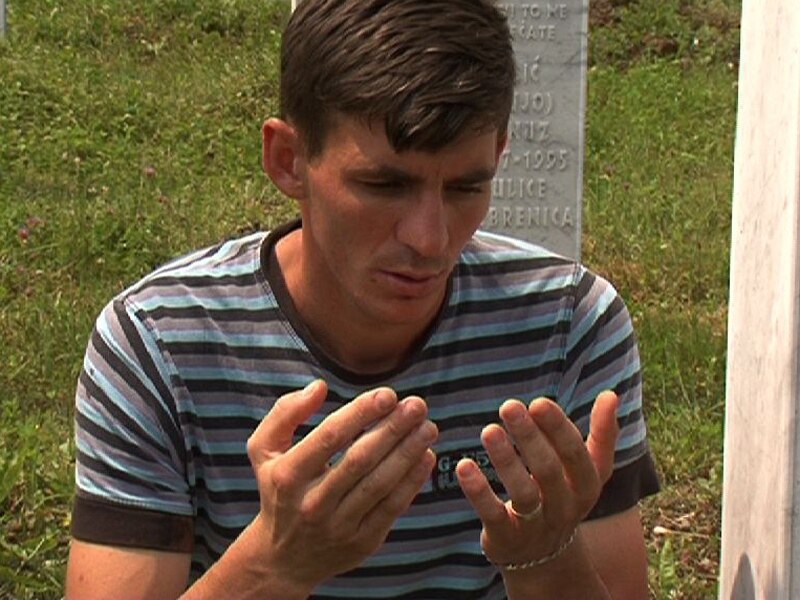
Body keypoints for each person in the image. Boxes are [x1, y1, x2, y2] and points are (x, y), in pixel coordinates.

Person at [65, 0, 660, 598]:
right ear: (288, 160)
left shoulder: (568, 324)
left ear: (500, 153)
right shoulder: (158, 345)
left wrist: (545, 557)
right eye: (384, 185)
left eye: (465, 187)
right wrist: (274, 566)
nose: (430, 239)